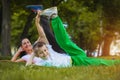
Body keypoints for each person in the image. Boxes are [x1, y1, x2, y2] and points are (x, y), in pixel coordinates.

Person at [27, 7, 120, 67]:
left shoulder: (49, 51)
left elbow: (42, 35)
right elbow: (28, 66)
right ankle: (116, 62)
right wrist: (33, 54)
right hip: (75, 61)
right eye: (41, 53)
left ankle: (54, 16)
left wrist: (37, 22)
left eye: (45, 50)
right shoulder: (42, 63)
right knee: (98, 63)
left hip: (72, 55)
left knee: (63, 43)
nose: (45, 53)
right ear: (37, 55)